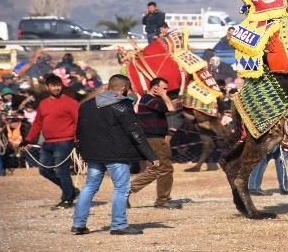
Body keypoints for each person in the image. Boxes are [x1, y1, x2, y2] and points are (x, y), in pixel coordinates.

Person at [72, 74, 160, 235]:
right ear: (124, 89)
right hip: (116, 154)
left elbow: (80, 131)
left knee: (90, 187)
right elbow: (136, 133)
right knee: (122, 187)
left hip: (93, 154)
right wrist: (151, 155)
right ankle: (119, 225)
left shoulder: (86, 106)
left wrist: (82, 151)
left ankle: (78, 224)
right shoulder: (123, 106)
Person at [18, 74, 80, 210]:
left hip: (64, 141)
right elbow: (37, 123)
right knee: (44, 170)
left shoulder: (71, 102)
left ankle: (67, 199)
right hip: (48, 143)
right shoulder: (43, 103)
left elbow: (78, 122)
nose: (57, 88)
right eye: (53, 85)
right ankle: (71, 190)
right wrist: (27, 139)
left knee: (61, 170)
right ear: (48, 87)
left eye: (58, 85)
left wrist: (76, 141)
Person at [128, 77, 181, 209]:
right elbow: (171, 108)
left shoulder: (153, 100)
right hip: (154, 139)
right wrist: (164, 95)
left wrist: (163, 95)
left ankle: (125, 191)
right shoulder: (149, 99)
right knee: (165, 168)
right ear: (155, 87)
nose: (166, 91)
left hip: (155, 138)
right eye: (163, 88)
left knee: (156, 169)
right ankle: (162, 200)